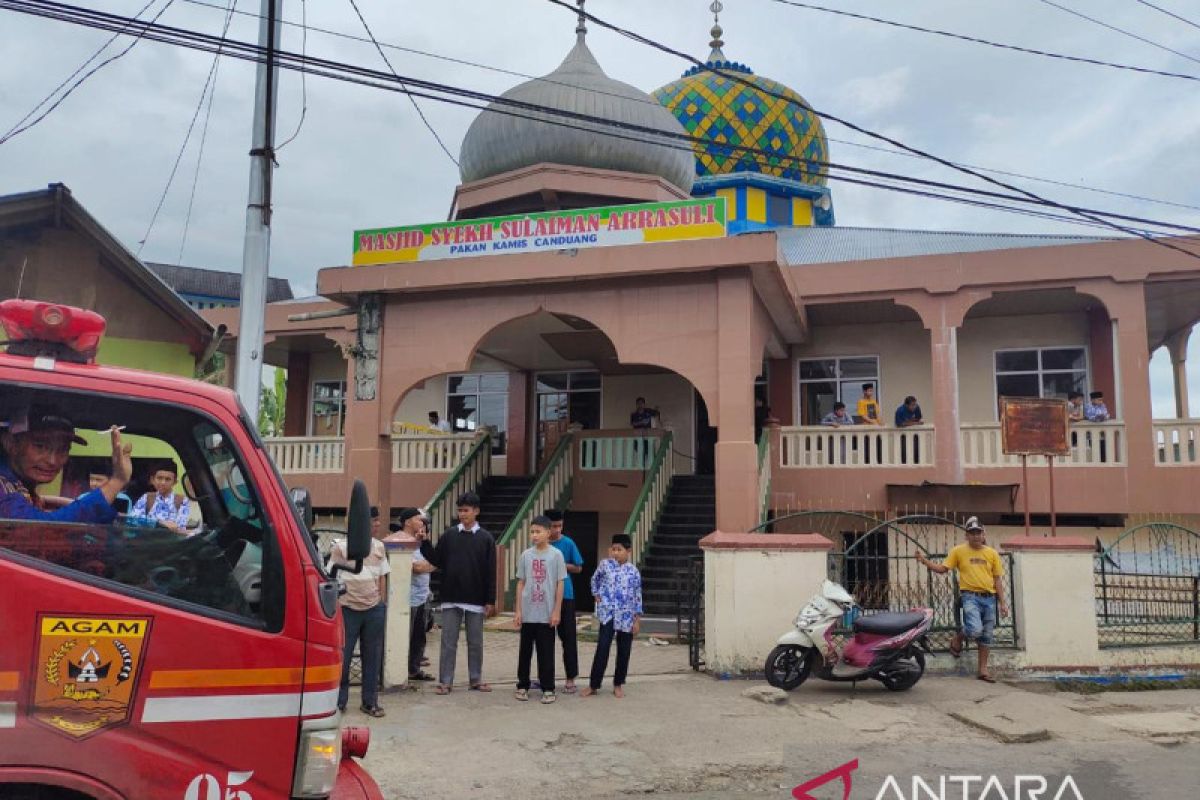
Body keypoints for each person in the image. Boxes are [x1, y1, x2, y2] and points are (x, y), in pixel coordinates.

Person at [0, 403, 132, 524]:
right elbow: (40, 529)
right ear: (10, 443)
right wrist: (117, 481)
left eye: (63, 449)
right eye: (40, 446)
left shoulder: (19, 486)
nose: (52, 461)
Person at [419, 491, 496, 694]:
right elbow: (436, 560)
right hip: (451, 596)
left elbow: (490, 571)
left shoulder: (486, 539)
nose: (462, 514)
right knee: (448, 642)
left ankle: (476, 679)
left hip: (476, 598)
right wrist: (425, 542)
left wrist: (490, 599)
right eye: (460, 510)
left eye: (466, 510)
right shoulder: (449, 535)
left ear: (476, 511)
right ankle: (445, 681)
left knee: (475, 642)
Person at [915, 516, 1008, 683]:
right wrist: (924, 561)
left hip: (989, 598)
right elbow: (943, 569)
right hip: (970, 596)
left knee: (986, 635)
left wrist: (1002, 603)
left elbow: (998, 579)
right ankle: (958, 638)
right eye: (972, 533)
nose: (975, 536)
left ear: (984, 534)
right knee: (974, 629)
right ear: (966, 535)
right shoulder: (958, 551)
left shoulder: (992, 554)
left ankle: (982, 670)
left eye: (978, 532)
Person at [330, 506, 390, 717]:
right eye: (372, 520)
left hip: (374, 610)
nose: (377, 524)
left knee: (372, 657)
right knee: (343, 659)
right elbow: (332, 576)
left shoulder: (379, 547)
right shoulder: (341, 547)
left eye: (377, 520)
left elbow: (381, 577)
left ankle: (370, 701)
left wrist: (380, 602)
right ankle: (339, 702)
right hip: (347, 609)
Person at [513, 515, 567, 704]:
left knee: (546, 652)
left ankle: (548, 688)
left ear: (548, 532)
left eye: (538, 531)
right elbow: (520, 583)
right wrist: (518, 610)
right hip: (528, 613)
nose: (534, 535)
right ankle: (522, 685)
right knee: (525, 652)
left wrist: (556, 611)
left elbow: (560, 584)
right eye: (532, 531)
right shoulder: (526, 555)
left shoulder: (556, 555)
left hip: (546, 614)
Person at [581, 534, 643, 699]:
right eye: (613, 549)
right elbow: (594, 580)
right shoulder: (605, 565)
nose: (615, 553)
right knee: (602, 647)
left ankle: (618, 684)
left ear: (628, 551)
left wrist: (637, 620)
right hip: (607, 614)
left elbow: (637, 596)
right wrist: (596, 595)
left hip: (626, 616)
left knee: (624, 650)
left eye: (619, 550)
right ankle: (594, 685)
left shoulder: (633, 571)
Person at [391, 507, 436, 682]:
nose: (422, 523)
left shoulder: (420, 541)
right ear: (408, 521)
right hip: (405, 598)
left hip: (422, 595)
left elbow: (436, 561)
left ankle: (414, 669)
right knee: (404, 636)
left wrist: (428, 563)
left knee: (419, 636)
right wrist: (428, 565)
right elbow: (414, 568)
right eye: (419, 519)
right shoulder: (399, 540)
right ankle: (398, 671)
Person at [545, 509, 584, 693]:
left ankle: (570, 678)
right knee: (544, 640)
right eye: (554, 526)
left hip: (566, 596)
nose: (557, 529)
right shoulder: (539, 543)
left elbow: (578, 568)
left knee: (568, 638)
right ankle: (545, 677)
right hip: (544, 597)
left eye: (560, 525)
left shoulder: (568, 543)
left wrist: (560, 564)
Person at [130, 461, 191, 534]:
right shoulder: (147, 497)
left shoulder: (182, 500)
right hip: (147, 541)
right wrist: (159, 522)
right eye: (159, 478)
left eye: (168, 479)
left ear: (175, 482)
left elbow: (180, 528)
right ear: (152, 480)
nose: (163, 482)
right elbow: (132, 519)